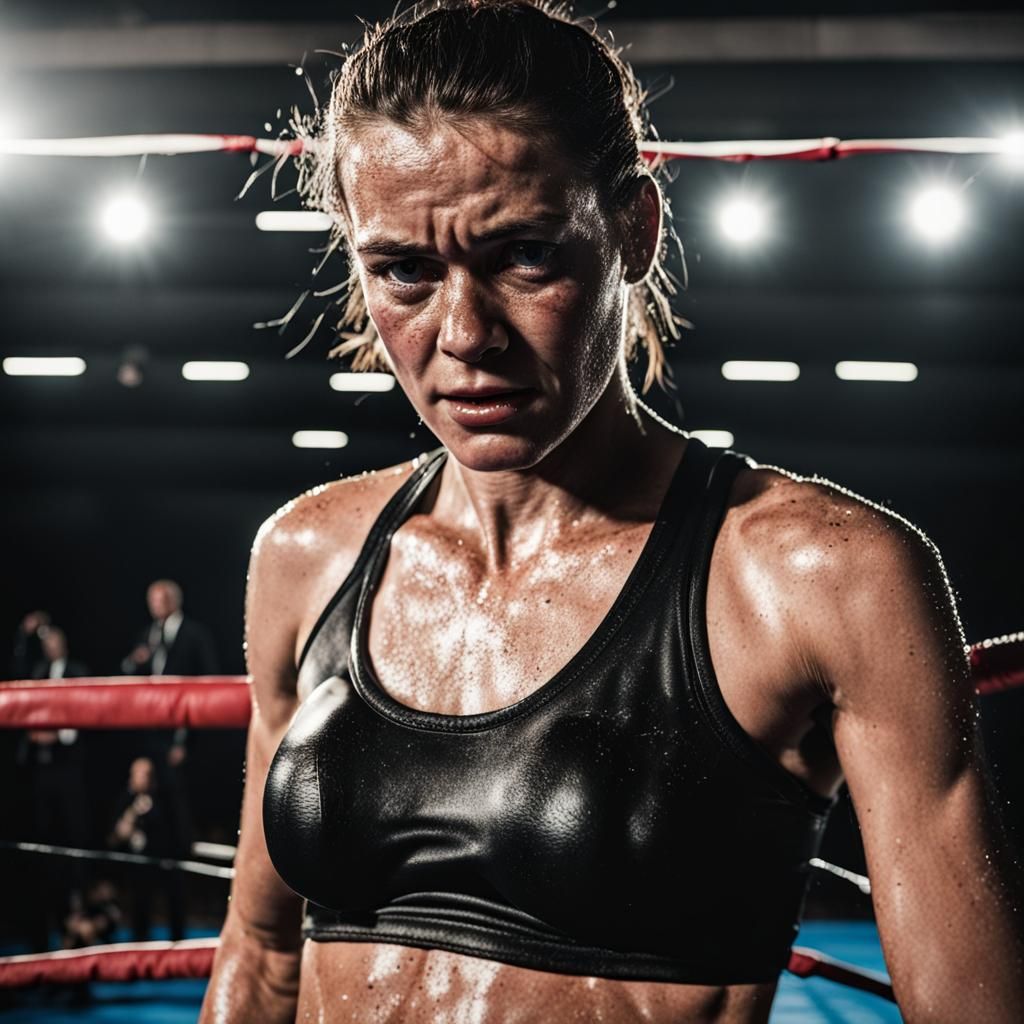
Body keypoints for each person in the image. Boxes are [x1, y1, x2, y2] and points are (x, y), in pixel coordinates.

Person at [201, 3, 1024, 1022]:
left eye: (523, 256)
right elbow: (265, 954)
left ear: (632, 230)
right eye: (405, 271)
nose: (464, 333)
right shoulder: (307, 554)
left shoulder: (817, 576)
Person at [123, 578, 219, 768]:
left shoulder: (195, 634)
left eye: (161, 599)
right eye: (152, 600)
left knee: (179, 787)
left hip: (183, 723)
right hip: (151, 723)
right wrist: (135, 660)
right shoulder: (148, 633)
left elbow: (208, 678)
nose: (155, 605)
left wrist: (184, 740)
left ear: (174, 600)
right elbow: (128, 671)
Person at [108, 756, 187, 941]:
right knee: (140, 904)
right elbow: (116, 835)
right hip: (139, 864)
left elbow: (175, 830)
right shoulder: (125, 799)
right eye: (138, 774)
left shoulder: (163, 799)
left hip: (164, 861)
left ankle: (178, 944)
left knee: (175, 898)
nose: (142, 778)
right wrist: (133, 813)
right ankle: (139, 943)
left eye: (146, 774)